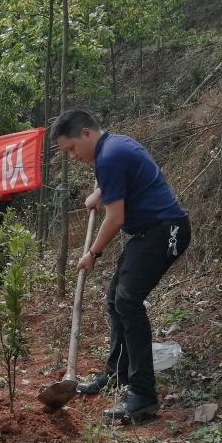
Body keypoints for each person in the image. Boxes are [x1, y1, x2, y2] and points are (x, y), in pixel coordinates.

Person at [51, 108, 191, 423]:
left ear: (86, 133)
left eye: (71, 148)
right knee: (116, 298)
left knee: (127, 301)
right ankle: (117, 374)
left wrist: (93, 253)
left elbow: (116, 217)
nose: (72, 156)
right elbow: (129, 179)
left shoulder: (109, 156)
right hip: (149, 232)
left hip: (166, 230)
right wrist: (100, 193)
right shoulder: (116, 146)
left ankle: (142, 395)